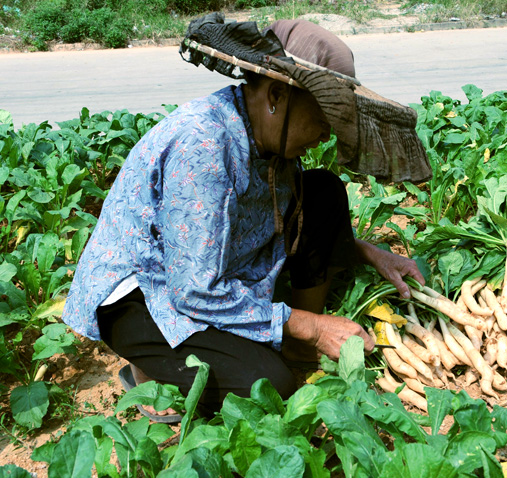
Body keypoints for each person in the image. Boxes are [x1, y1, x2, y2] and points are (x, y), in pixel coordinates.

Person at [62, 15, 430, 420]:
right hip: (146, 292)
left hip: (206, 272)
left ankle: (289, 340)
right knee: (268, 385)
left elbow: (277, 217)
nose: (326, 136)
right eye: (323, 121)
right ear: (276, 96)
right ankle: (150, 374)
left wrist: (369, 252)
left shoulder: (265, 135)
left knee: (322, 191)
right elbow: (193, 291)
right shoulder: (203, 144)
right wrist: (310, 325)